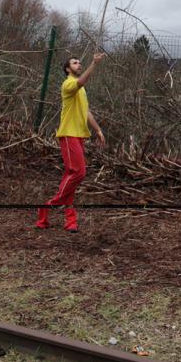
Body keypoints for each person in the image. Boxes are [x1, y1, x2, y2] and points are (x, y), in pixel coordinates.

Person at [35, 53, 106, 232]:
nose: (79, 64)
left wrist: (97, 129)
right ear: (68, 69)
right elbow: (80, 82)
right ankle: (49, 205)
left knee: (71, 177)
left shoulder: (81, 90)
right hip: (68, 135)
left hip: (79, 136)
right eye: (75, 63)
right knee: (79, 173)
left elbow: (86, 111)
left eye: (80, 62)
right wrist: (94, 64)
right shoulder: (68, 84)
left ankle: (70, 221)